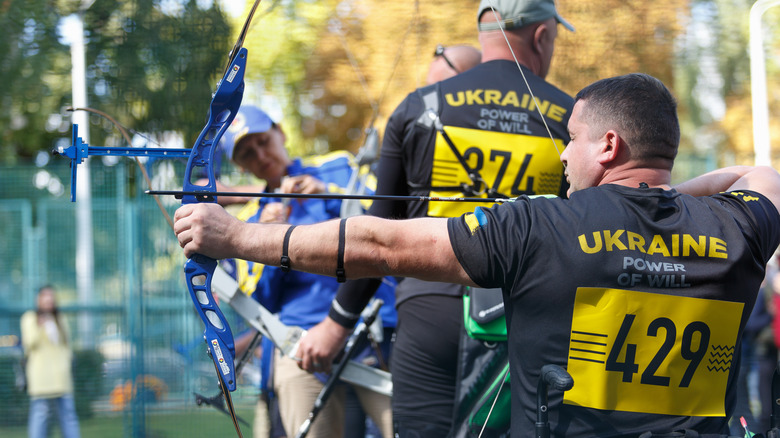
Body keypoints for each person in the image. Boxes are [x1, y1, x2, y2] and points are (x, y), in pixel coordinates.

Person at [174, 73, 780, 437]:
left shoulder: (542, 224)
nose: (563, 158)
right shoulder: (740, 227)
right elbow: (763, 173)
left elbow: (380, 242)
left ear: (609, 144)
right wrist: (668, 198)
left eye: (571, 139)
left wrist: (237, 239)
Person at [300, 0, 575, 435]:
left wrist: (337, 323)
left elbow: (378, 232)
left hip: (429, 312)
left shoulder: (420, 104)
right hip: (525, 318)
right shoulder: (572, 118)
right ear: (542, 35)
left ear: (484, 30)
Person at [215, 104, 397, 438]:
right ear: (241, 166)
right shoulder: (248, 221)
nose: (260, 155)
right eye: (247, 154)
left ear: (280, 133)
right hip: (300, 345)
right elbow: (262, 302)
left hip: (372, 328)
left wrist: (329, 195)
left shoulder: (339, 169)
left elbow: (391, 222)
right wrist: (266, 241)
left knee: (414, 426)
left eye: (262, 141)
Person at [20, 285, 81, 438]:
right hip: (41, 377)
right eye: (45, 297)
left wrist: (67, 360)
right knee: (40, 416)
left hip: (61, 376)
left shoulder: (60, 318)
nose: (49, 300)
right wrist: (40, 326)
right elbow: (29, 344)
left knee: (68, 415)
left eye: (51, 297)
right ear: (39, 299)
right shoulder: (29, 318)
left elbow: (66, 344)